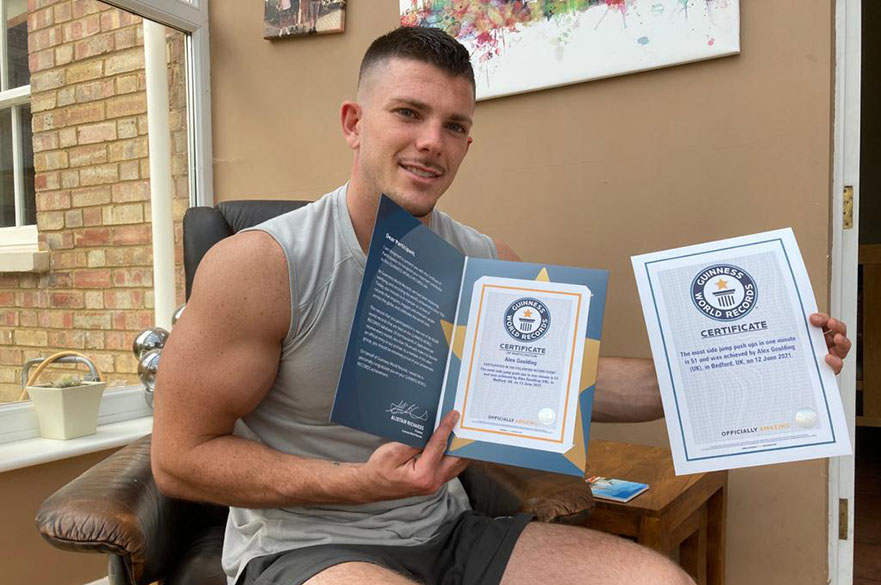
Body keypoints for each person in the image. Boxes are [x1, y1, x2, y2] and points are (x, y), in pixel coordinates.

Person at [151, 26, 852, 585]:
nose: (432, 141)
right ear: (353, 122)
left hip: (448, 530)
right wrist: (354, 482)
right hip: (310, 543)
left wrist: (765, 356)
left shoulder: (488, 262)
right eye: (408, 113)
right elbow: (178, 458)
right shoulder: (260, 265)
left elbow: (583, 384)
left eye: (454, 125)